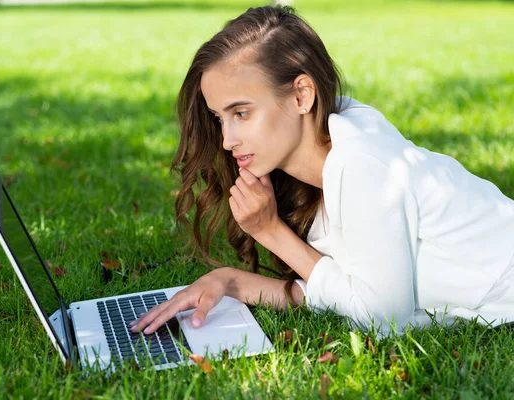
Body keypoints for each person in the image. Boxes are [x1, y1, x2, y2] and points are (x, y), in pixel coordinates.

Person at [130, 5, 514, 337]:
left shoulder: (360, 164)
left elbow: (382, 321)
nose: (227, 139)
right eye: (219, 118)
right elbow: (345, 289)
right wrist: (229, 281)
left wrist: (271, 232)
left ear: (302, 95)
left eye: (241, 113)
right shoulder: (323, 149)